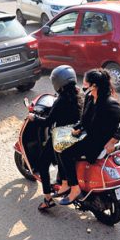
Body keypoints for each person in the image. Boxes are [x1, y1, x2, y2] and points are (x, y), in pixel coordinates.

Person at [57, 69, 120, 205]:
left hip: (98, 142)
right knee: (60, 140)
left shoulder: (109, 103)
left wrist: (112, 141)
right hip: (89, 135)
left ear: (94, 85)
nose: (83, 84)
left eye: (86, 82)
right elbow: (84, 120)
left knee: (64, 151)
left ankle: (74, 188)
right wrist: (77, 128)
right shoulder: (90, 97)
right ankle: (65, 182)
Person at [27, 65, 83, 211]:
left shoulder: (61, 101)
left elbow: (47, 122)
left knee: (42, 164)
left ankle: (47, 199)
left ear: (57, 83)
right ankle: (63, 182)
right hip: (78, 135)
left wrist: (34, 117)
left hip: (62, 137)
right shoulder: (79, 95)